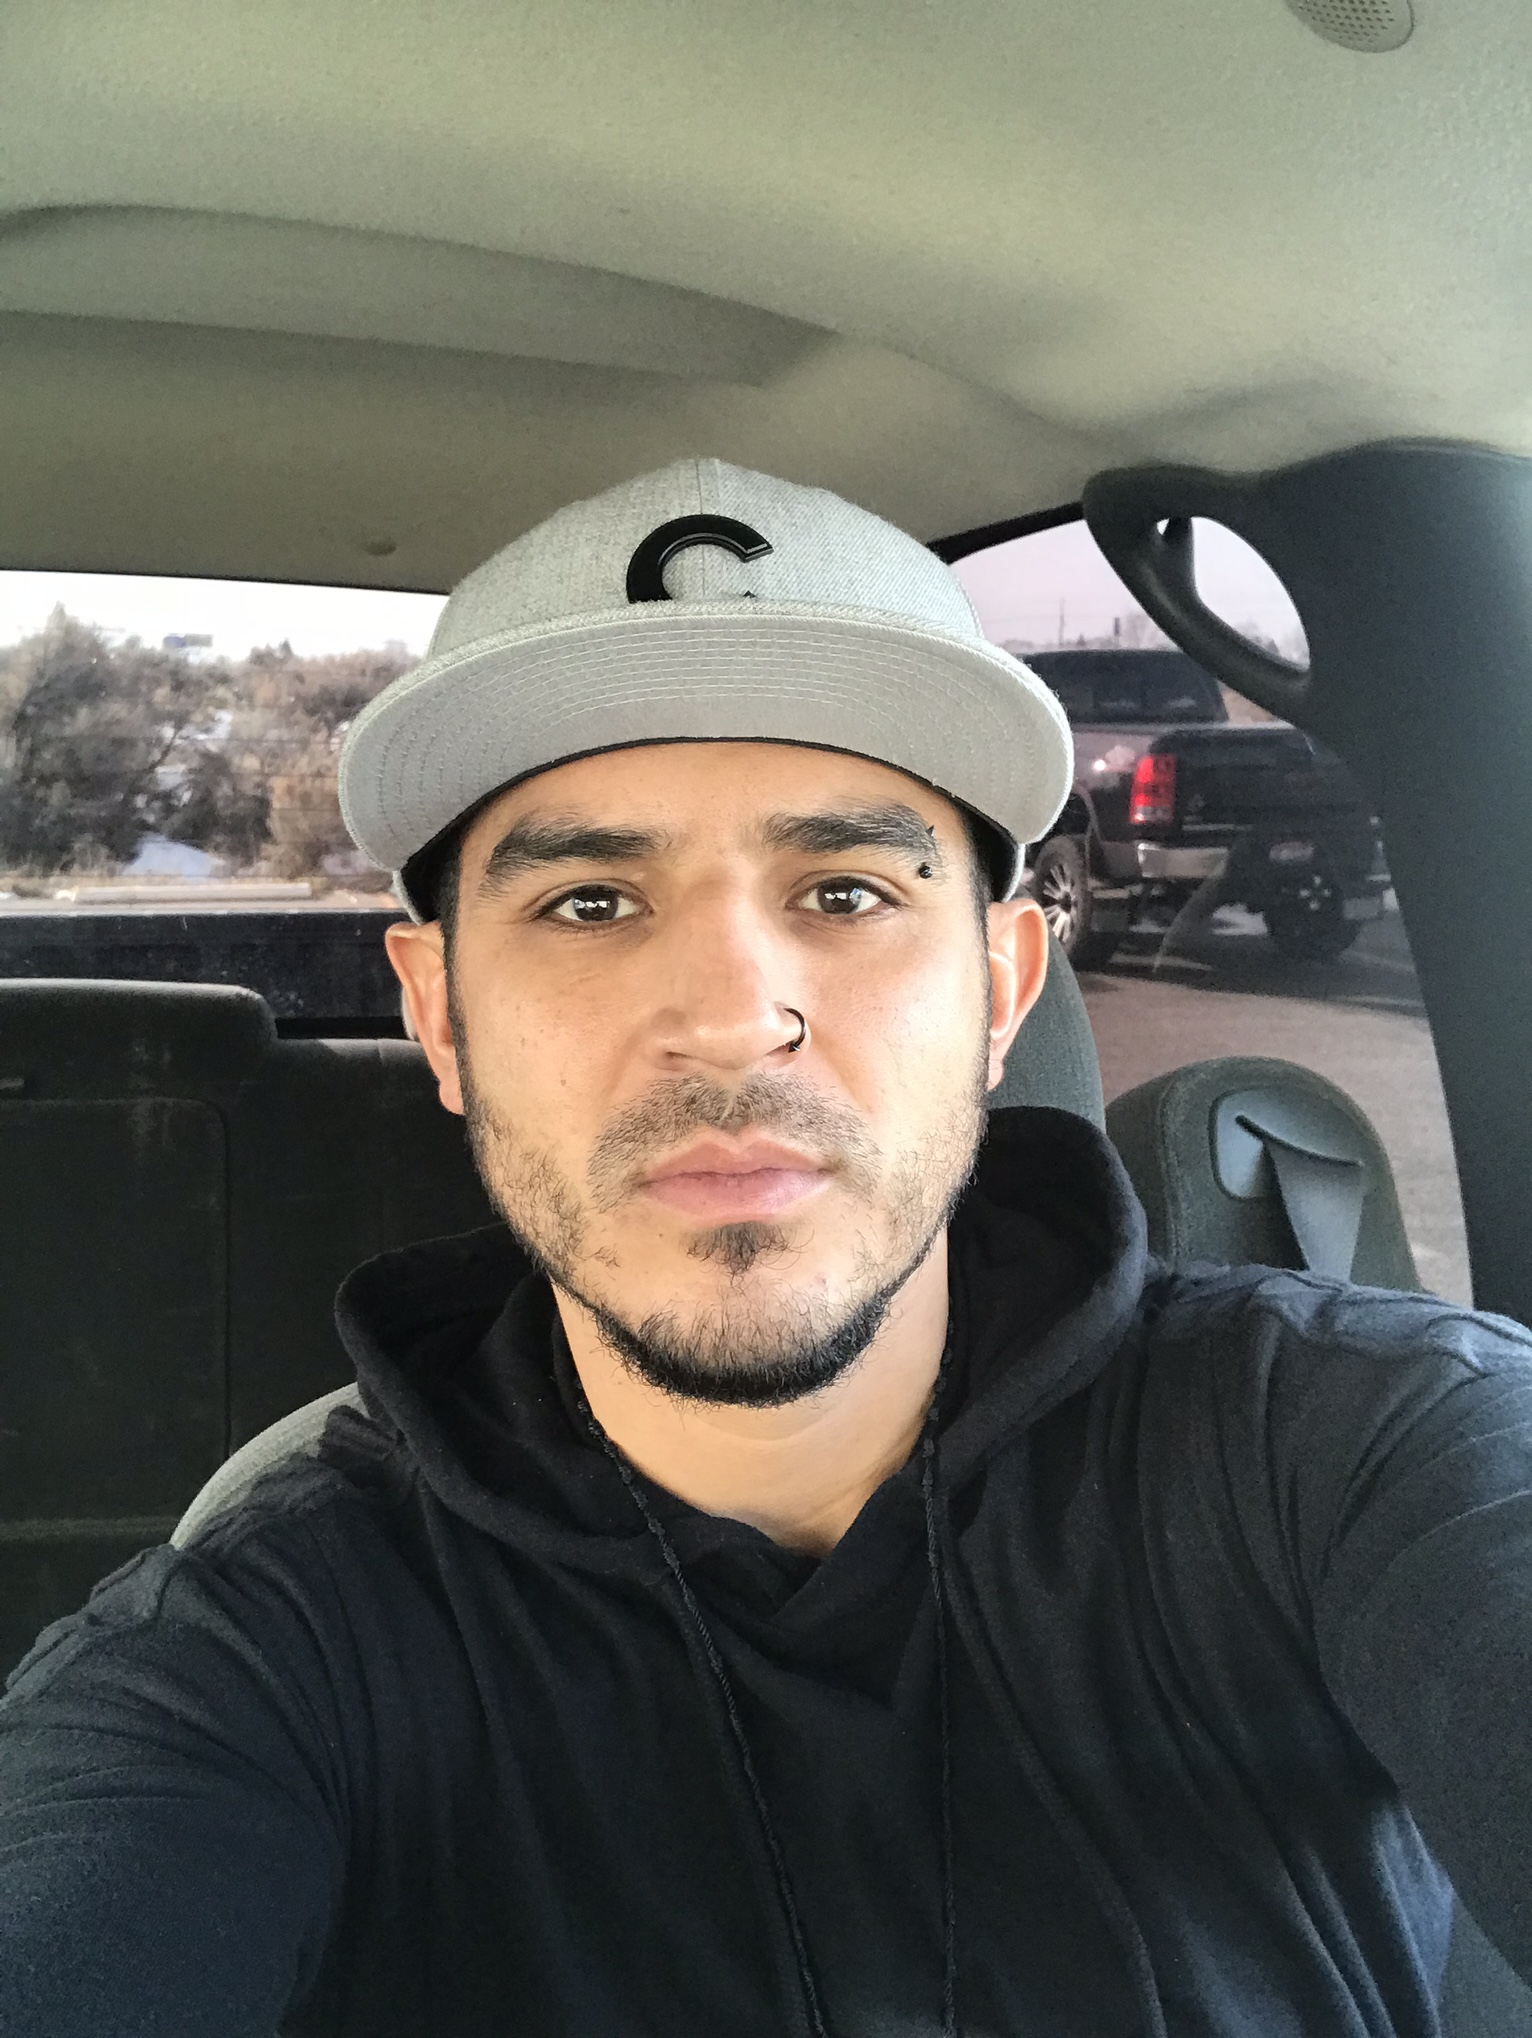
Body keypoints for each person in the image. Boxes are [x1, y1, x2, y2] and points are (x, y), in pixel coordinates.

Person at [2, 458, 1530, 2038]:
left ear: (1003, 993)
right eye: (591, 902)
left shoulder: (1365, 1446)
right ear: (440, 1014)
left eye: (845, 889)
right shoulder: (268, 1646)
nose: (734, 1016)